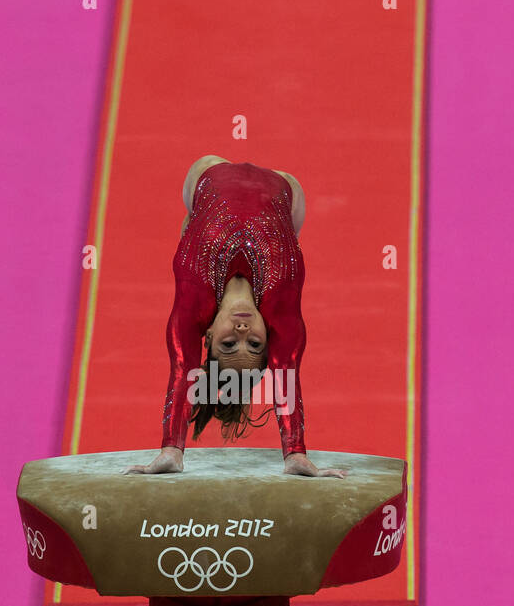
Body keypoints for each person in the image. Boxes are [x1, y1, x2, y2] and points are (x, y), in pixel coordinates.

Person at [125, 156, 347, 478]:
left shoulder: (193, 293)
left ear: (209, 334)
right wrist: (294, 453)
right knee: (292, 211)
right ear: (269, 337)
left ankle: (193, 223)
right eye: (254, 343)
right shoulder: (281, 297)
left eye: (230, 343)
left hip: (210, 173)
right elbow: (286, 372)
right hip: (284, 185)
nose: (243, 329)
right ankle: (197, 225)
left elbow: (182, 368)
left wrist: (172, 448)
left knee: (195, 194)